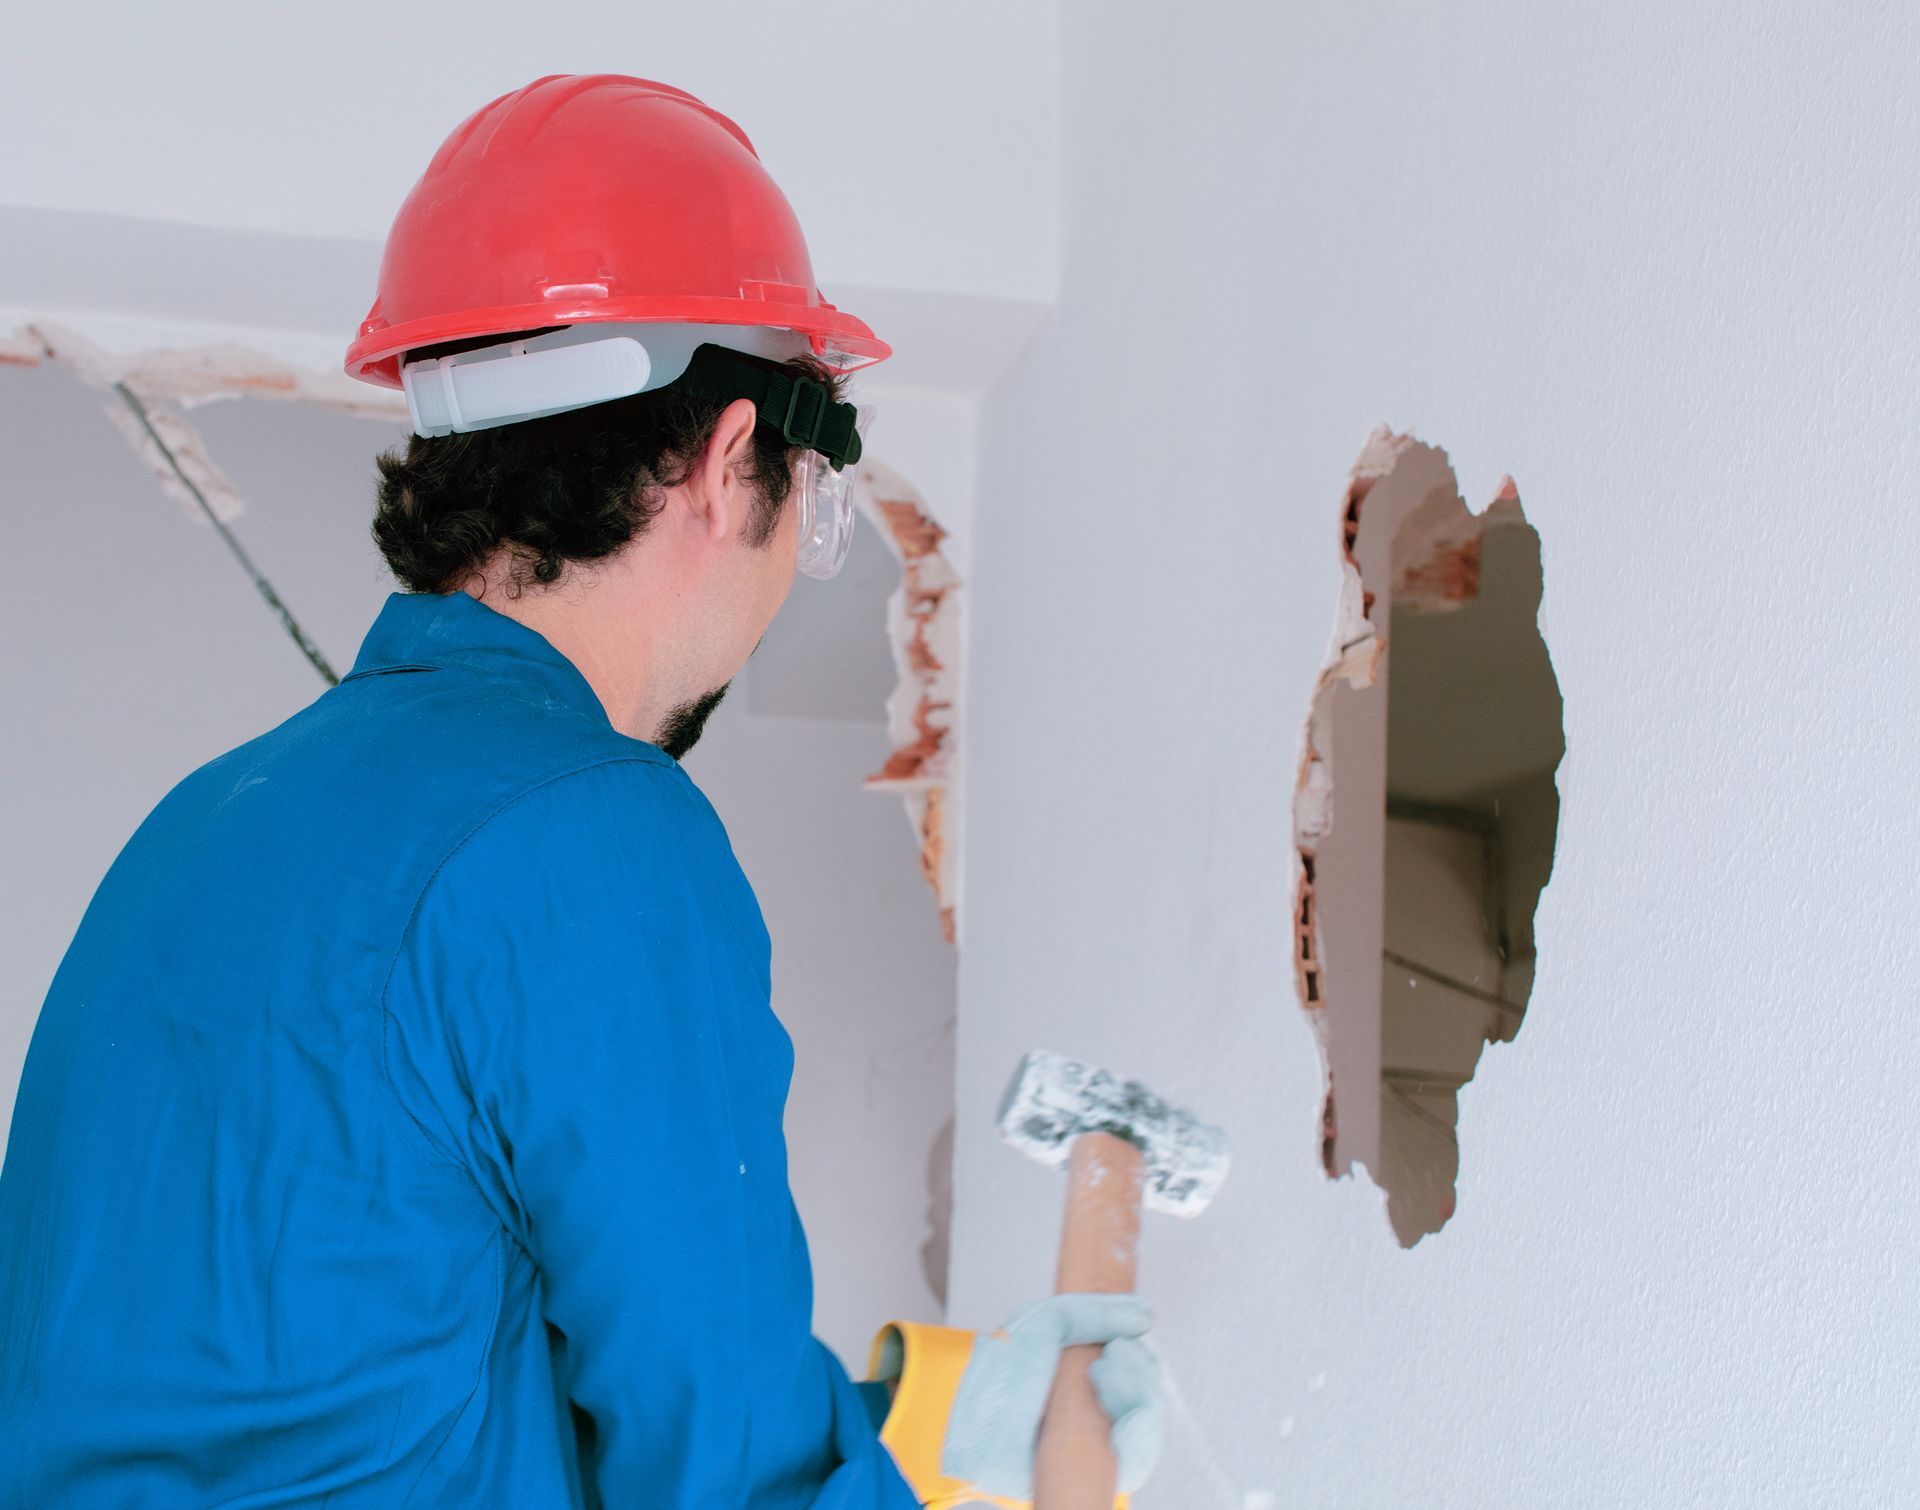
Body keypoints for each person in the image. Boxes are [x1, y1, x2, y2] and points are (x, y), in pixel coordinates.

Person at [0, 75, 1160, 1506]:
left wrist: (920, 1408)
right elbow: (726, 1475)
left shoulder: (195, 833)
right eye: (818, 489)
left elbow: (372, 1355)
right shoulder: (587, 834)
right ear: (732, 460)